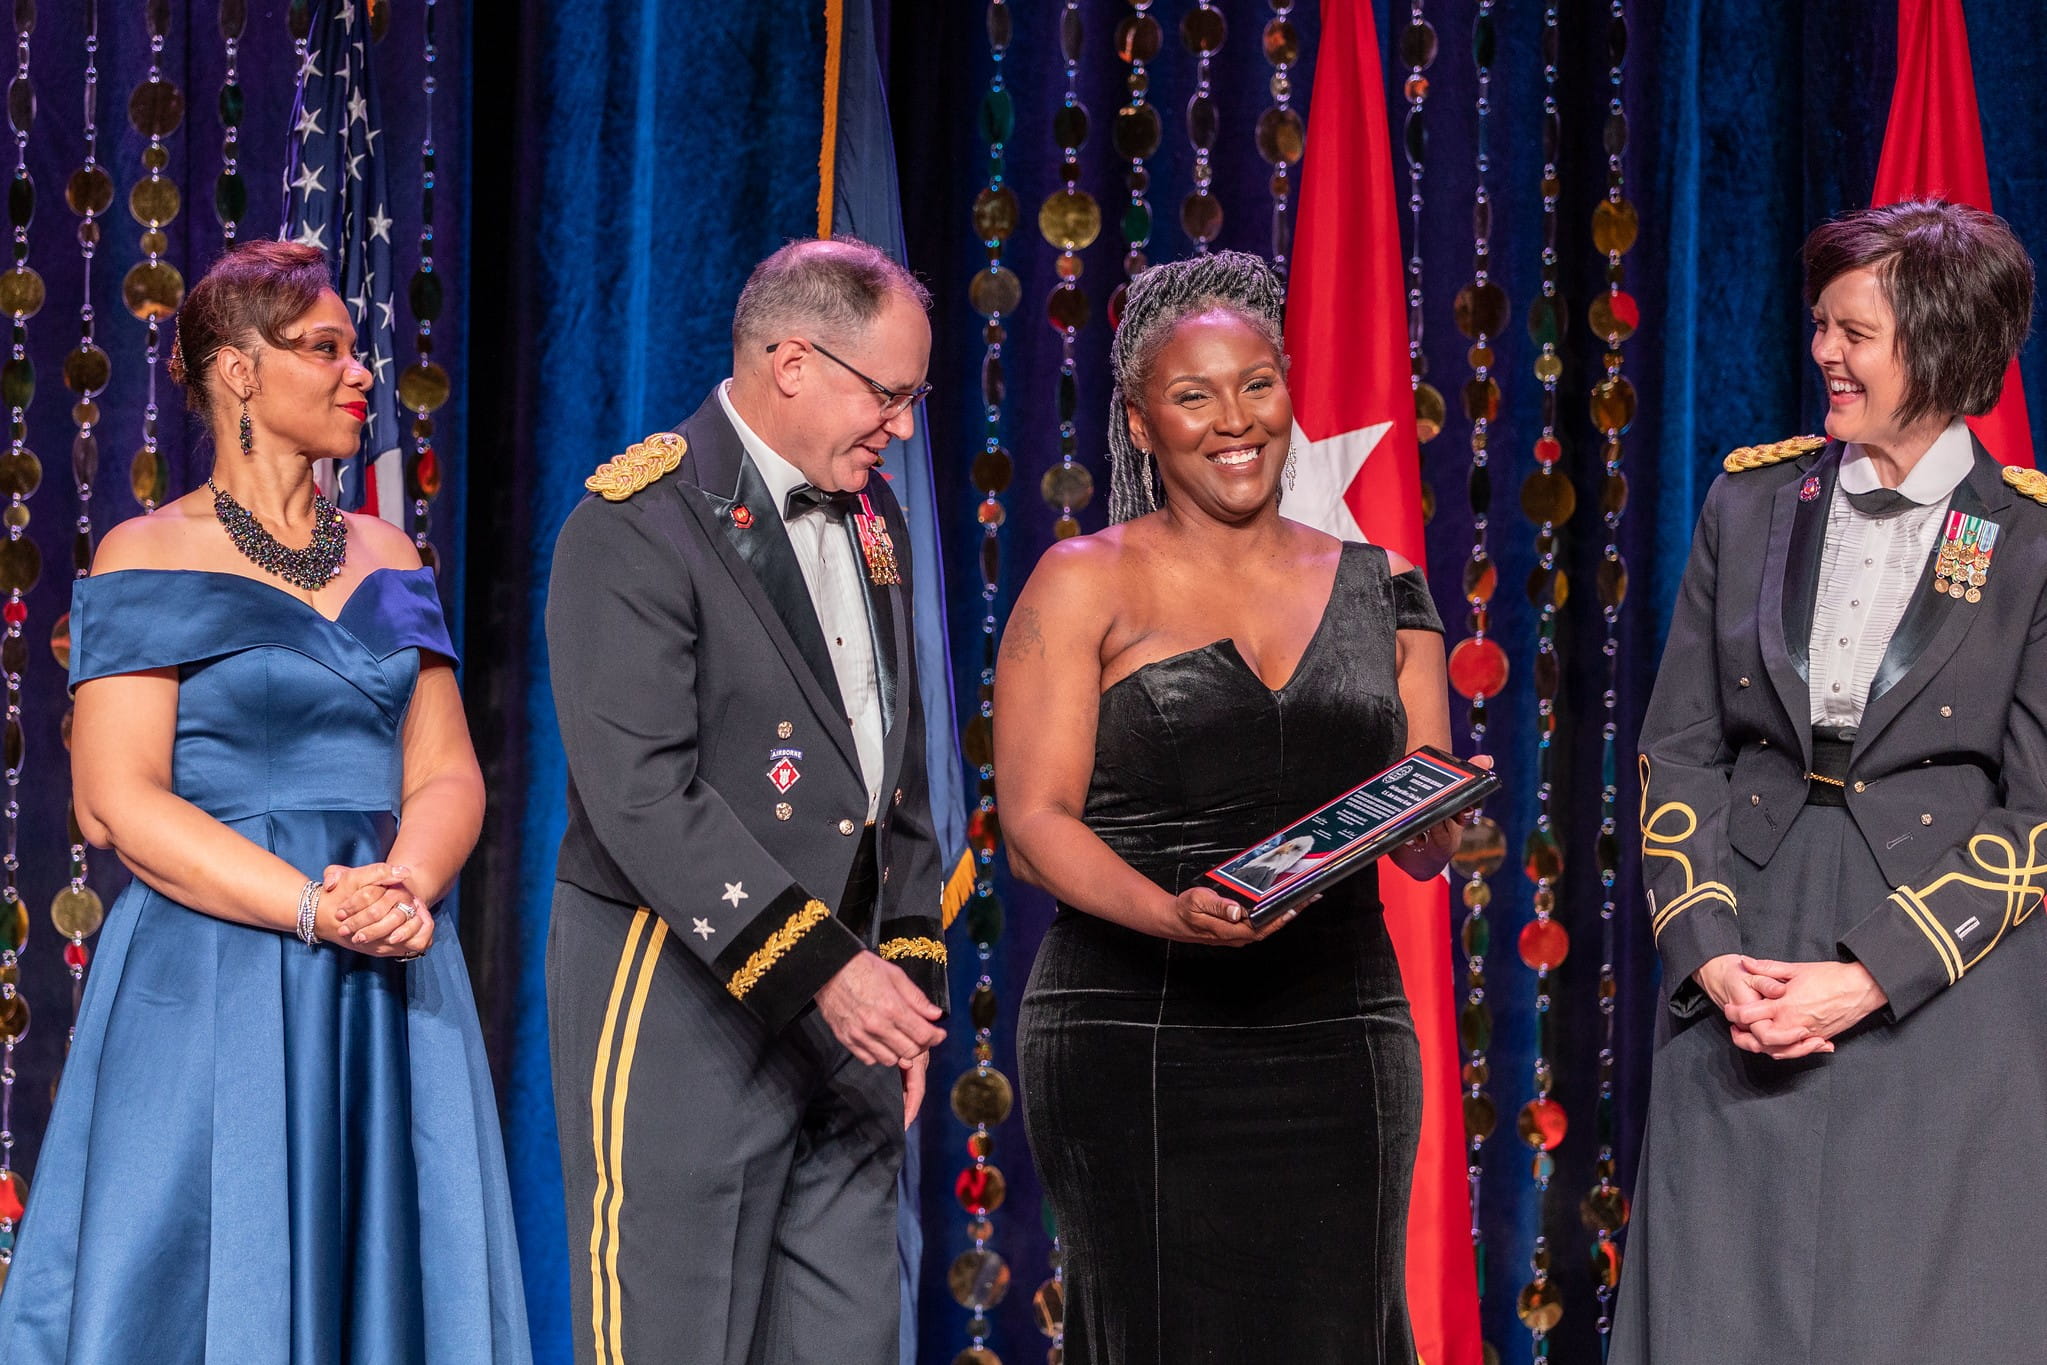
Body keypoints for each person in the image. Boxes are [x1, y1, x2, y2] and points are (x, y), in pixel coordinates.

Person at [0, 241, 528, 1361]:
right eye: (326, 349)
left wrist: (406, 884)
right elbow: (116, 800)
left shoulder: (386, 554)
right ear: (238, 371)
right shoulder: (148, 552)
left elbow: (445, 771)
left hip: (382, 964)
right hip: (213, 964)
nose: (361, 375)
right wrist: (308, 907)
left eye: (358, 350)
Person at [998, 250, 1465, 1364]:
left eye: (1256, 384)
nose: (1234, 420)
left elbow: (1423, 834)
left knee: (1340, 1331)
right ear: (1140, 420)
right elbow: (1032, 825)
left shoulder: (1385, 579)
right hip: (1134, 1030)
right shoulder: (1081, 581)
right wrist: (1171, 914)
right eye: (1193, 395)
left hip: (1341, 1032)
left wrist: (1439, 817)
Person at [1613, 200, 2047, 1363]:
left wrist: (1870, 977)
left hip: (1944, 977)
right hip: (1743, 962)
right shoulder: (1750, 501)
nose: (1822, 354)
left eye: (1852, 332)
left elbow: (2040, 814)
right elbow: (1683, 746)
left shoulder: (2032, 543)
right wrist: (1706, 950)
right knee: (1720, 1311)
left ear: (1944, 346)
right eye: (1819, 325)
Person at [545, 236, 958, 1365]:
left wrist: (906, 987)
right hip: (684, 991)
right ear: (791, 361)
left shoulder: (874, 521)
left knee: (847, 1340)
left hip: (855, 1017)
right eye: (888, 395)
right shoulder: (636, 521)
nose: (904, 428)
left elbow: (896, 769)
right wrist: (830, 973)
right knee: (675, 1337)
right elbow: (641, 796)